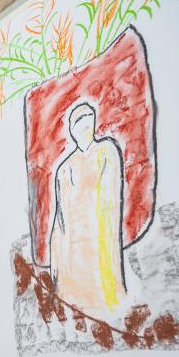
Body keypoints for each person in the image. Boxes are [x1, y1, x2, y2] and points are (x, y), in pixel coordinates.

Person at [49, 101, 127, 318]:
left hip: (98, 240)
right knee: (72, 303)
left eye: (87, 120)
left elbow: (110, 201)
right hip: (72, 247)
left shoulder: (106, 151)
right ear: (72, 130)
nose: (83, 126)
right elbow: (59, 219)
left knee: (103, 303)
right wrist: (55, 255)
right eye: (77, 123)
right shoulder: (64, 168)